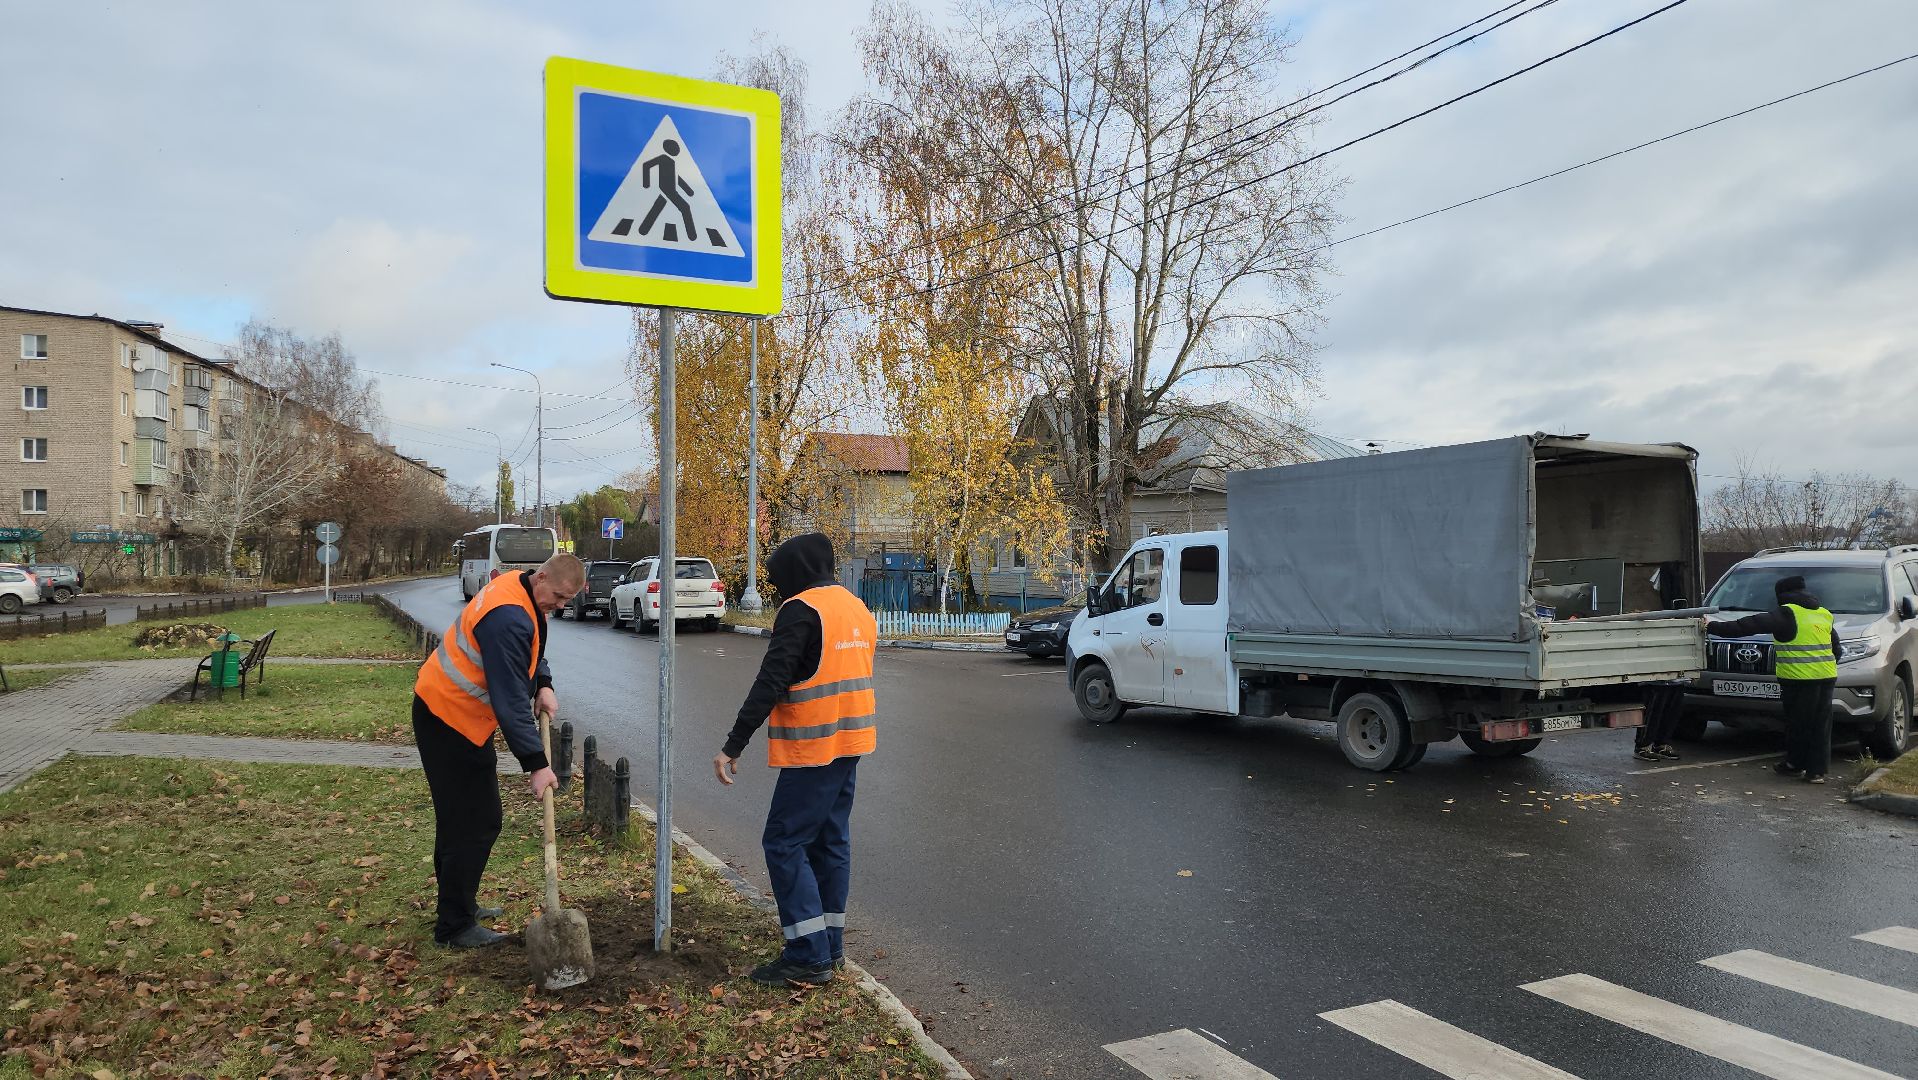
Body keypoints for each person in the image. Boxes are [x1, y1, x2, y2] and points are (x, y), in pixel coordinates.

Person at [713, 533, 877, 987]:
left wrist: (733, 744)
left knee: (784, 843)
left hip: (814, 748)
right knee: (830, 842)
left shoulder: (802, 611)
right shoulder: (856, 608)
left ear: (793, 575)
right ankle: (831, 945)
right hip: (851, 743)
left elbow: (772, 680)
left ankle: (807, 954)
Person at [413, 552, 584, 947]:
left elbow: (532, 649)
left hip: (455, 716)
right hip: (448, 719)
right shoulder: (508, 616)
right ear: (541, 578)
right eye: (557, 597)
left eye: (566, 602)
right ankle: (455, 927)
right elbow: (508, 701)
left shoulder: (522, 590)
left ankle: (458, 905)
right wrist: (537, 765)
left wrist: (543, 682)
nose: (559, 606)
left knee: (462, 820)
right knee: (476, 822)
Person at [1707, 574, 1841, 783]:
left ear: (1782, 595)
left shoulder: (1787, 613)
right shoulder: (1823, 614)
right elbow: (1836, 648)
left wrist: (1711, 626)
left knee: (1798, 724)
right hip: (1826, 677)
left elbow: (1747, 626)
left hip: (1798, 680)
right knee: (1821, 725)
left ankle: (1794, 765)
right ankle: (1817, 771)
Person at [1633, 683, 1687, 762]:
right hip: (1656, 681)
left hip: (1678, 680)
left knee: (1672, 711)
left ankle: (1661, 745)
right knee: (1653, 711)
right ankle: (1642, 746)